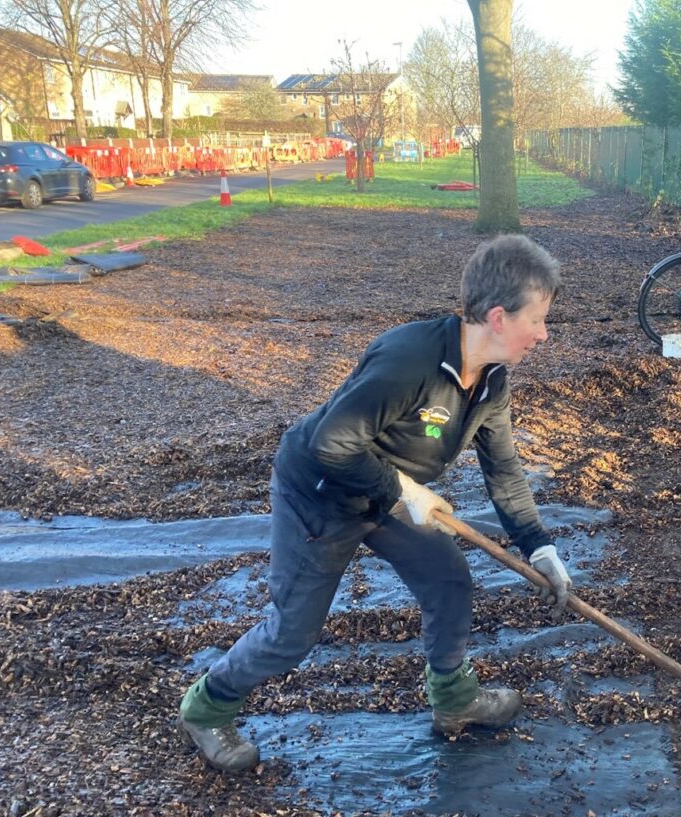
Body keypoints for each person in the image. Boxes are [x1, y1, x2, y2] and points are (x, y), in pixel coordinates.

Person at [178, 234, 573, 772]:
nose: (544, 335)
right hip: (320, 494)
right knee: (293, 634)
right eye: (539, 319)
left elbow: (503, 470)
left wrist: (539, 546)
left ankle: (455, 702)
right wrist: (406, 490)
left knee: (448, 578)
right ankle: (206, 706)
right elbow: (331, 444)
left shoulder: (491, 382)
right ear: (499, 317)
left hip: (385, 493)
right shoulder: (409, 359)